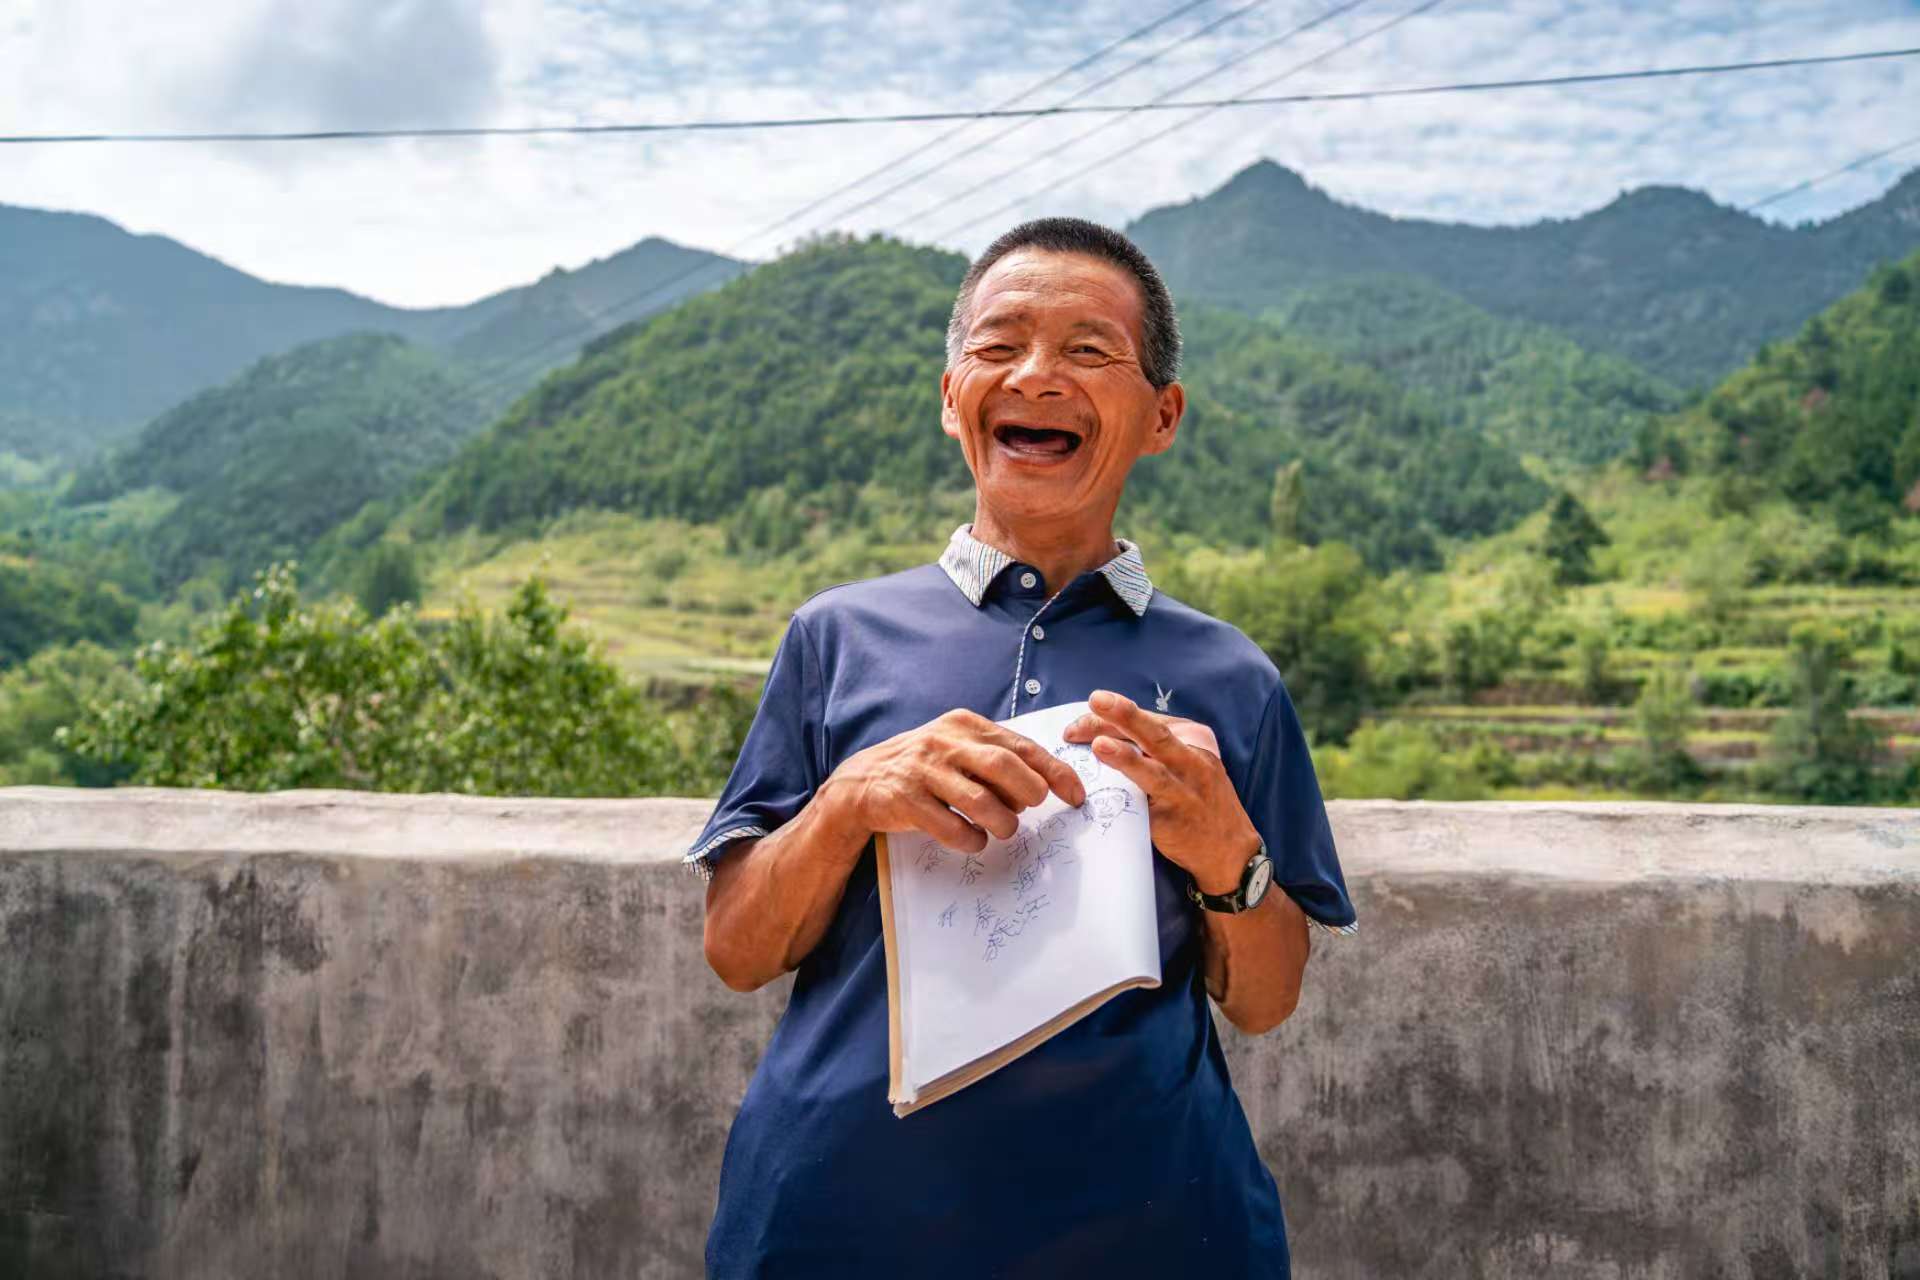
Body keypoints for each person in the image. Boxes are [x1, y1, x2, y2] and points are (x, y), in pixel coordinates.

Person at [686, 217, 1356, 1279]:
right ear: (954, 397)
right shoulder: (836, 637)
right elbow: (736, 944)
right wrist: (850, 798)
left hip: (1154, 1234)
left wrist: (1229, 849)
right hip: (834, 1227)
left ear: (1162, 415)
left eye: (1089, 352)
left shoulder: (1232, 678)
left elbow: (1267, 997)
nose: (1036, 376)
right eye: (999, 347)